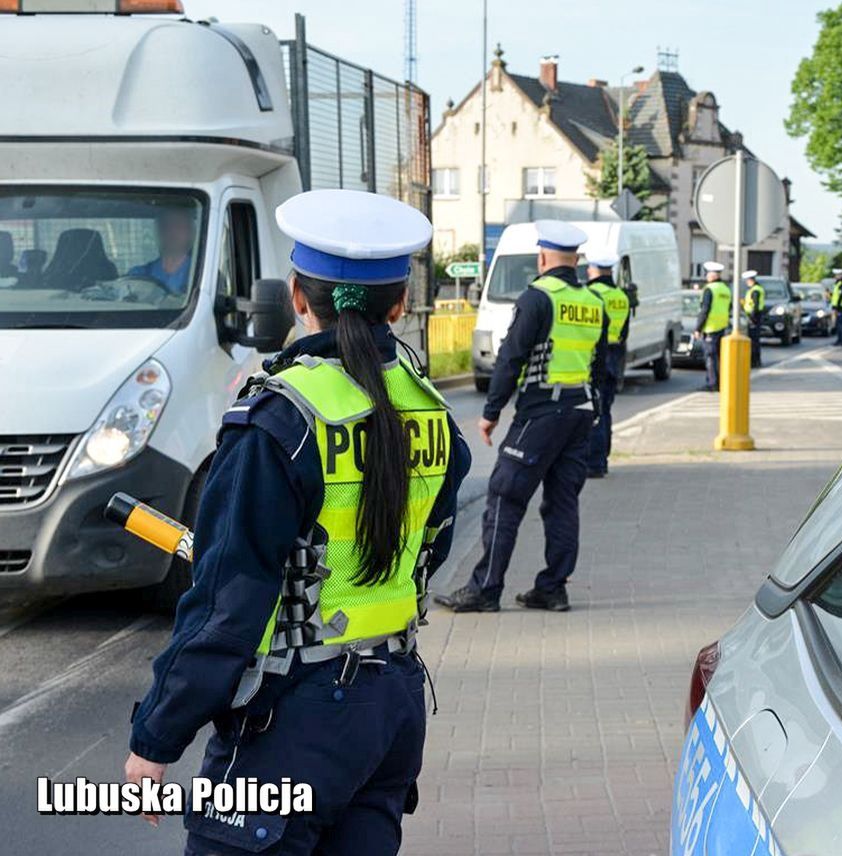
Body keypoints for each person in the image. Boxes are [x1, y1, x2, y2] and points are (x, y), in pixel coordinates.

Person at [124, 188, 471, 854]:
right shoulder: (432, 413)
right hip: (392, 709)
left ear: (297, 296)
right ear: (399, 305)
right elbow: (429, 548)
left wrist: (157, 737)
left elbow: (227, 602)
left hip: (295, 716)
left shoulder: (281, 420)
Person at [436, 221, 607, 614]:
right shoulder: (594, 303)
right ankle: (552, 588)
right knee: (563, 502)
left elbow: (512, 355)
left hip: (542, 413)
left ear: (542, 258)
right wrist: (594, 408)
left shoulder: (537, 297)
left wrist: (491, 412)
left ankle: (485, 589)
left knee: (505, 496)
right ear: (577, 260)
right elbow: (599, 363)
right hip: (580, 412)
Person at [584, 255, 629, 479]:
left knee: (595, 411)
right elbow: (624, 332)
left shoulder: (592, 295)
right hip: (616, 356)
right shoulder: (621, 295)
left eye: (589, 268)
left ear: (594, 270)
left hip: (597, 355)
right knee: (606, 410)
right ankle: (604, 457)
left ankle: (595, 463)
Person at [127, 206, 197, 294]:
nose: (172, 231)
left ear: (191, 233)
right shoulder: (138, 275)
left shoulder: (202, 274)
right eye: (166, 225)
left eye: (179, 226)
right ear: (158, 232)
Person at [696, 260, 732, 392]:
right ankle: (721, 382)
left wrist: (698, 328)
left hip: (710, 328)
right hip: (722, 327)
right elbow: (729, 308)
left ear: (712, 275)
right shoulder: (725, 289)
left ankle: (712, 383)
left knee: (710, 357)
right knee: (719, 357)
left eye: (707, 274)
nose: (706, 276)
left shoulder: (709, 289)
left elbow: (704, 310)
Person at [741, 270, 765, 368]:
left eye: (747, 280)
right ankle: (756, 361)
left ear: (750, 280)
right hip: (754, 316)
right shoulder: (756, 289)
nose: (746, 282)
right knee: (754, 340)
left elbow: (755, 305)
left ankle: (755, 361)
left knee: (754, 341)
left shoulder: (755, 290)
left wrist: (752, 318)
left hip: (754, 317)